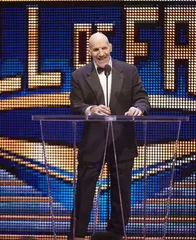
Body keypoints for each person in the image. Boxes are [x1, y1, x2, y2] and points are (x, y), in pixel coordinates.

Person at [69, 32, 150, 240]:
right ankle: (77, 234)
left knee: (121, 192)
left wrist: (137, 109)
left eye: (104, 48)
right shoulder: (79, 75)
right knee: (84, 191)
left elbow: (142, 99)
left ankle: (116, 233)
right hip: (93, 142)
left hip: (122, 141)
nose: (101, 53)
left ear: (110, 47)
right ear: (89, 52)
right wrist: (91, 109)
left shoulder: (129, 71)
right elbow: (76, 105)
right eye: (95, 49)